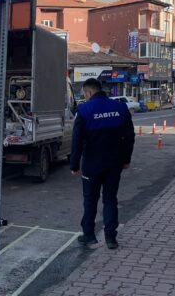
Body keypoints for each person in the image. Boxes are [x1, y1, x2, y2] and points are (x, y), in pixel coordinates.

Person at [71, 78, 135, 250]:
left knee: (90, 199)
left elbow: (76, 140)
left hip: (91, 164)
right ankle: (110, 238)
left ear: (89, 92)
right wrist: (126, 159)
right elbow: (129, 137)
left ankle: (89, 235)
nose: (85, 97)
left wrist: (74, 165)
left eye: (85, 94)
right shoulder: (120, 108)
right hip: (114, 163)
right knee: (110, 199)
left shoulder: (84, 110)